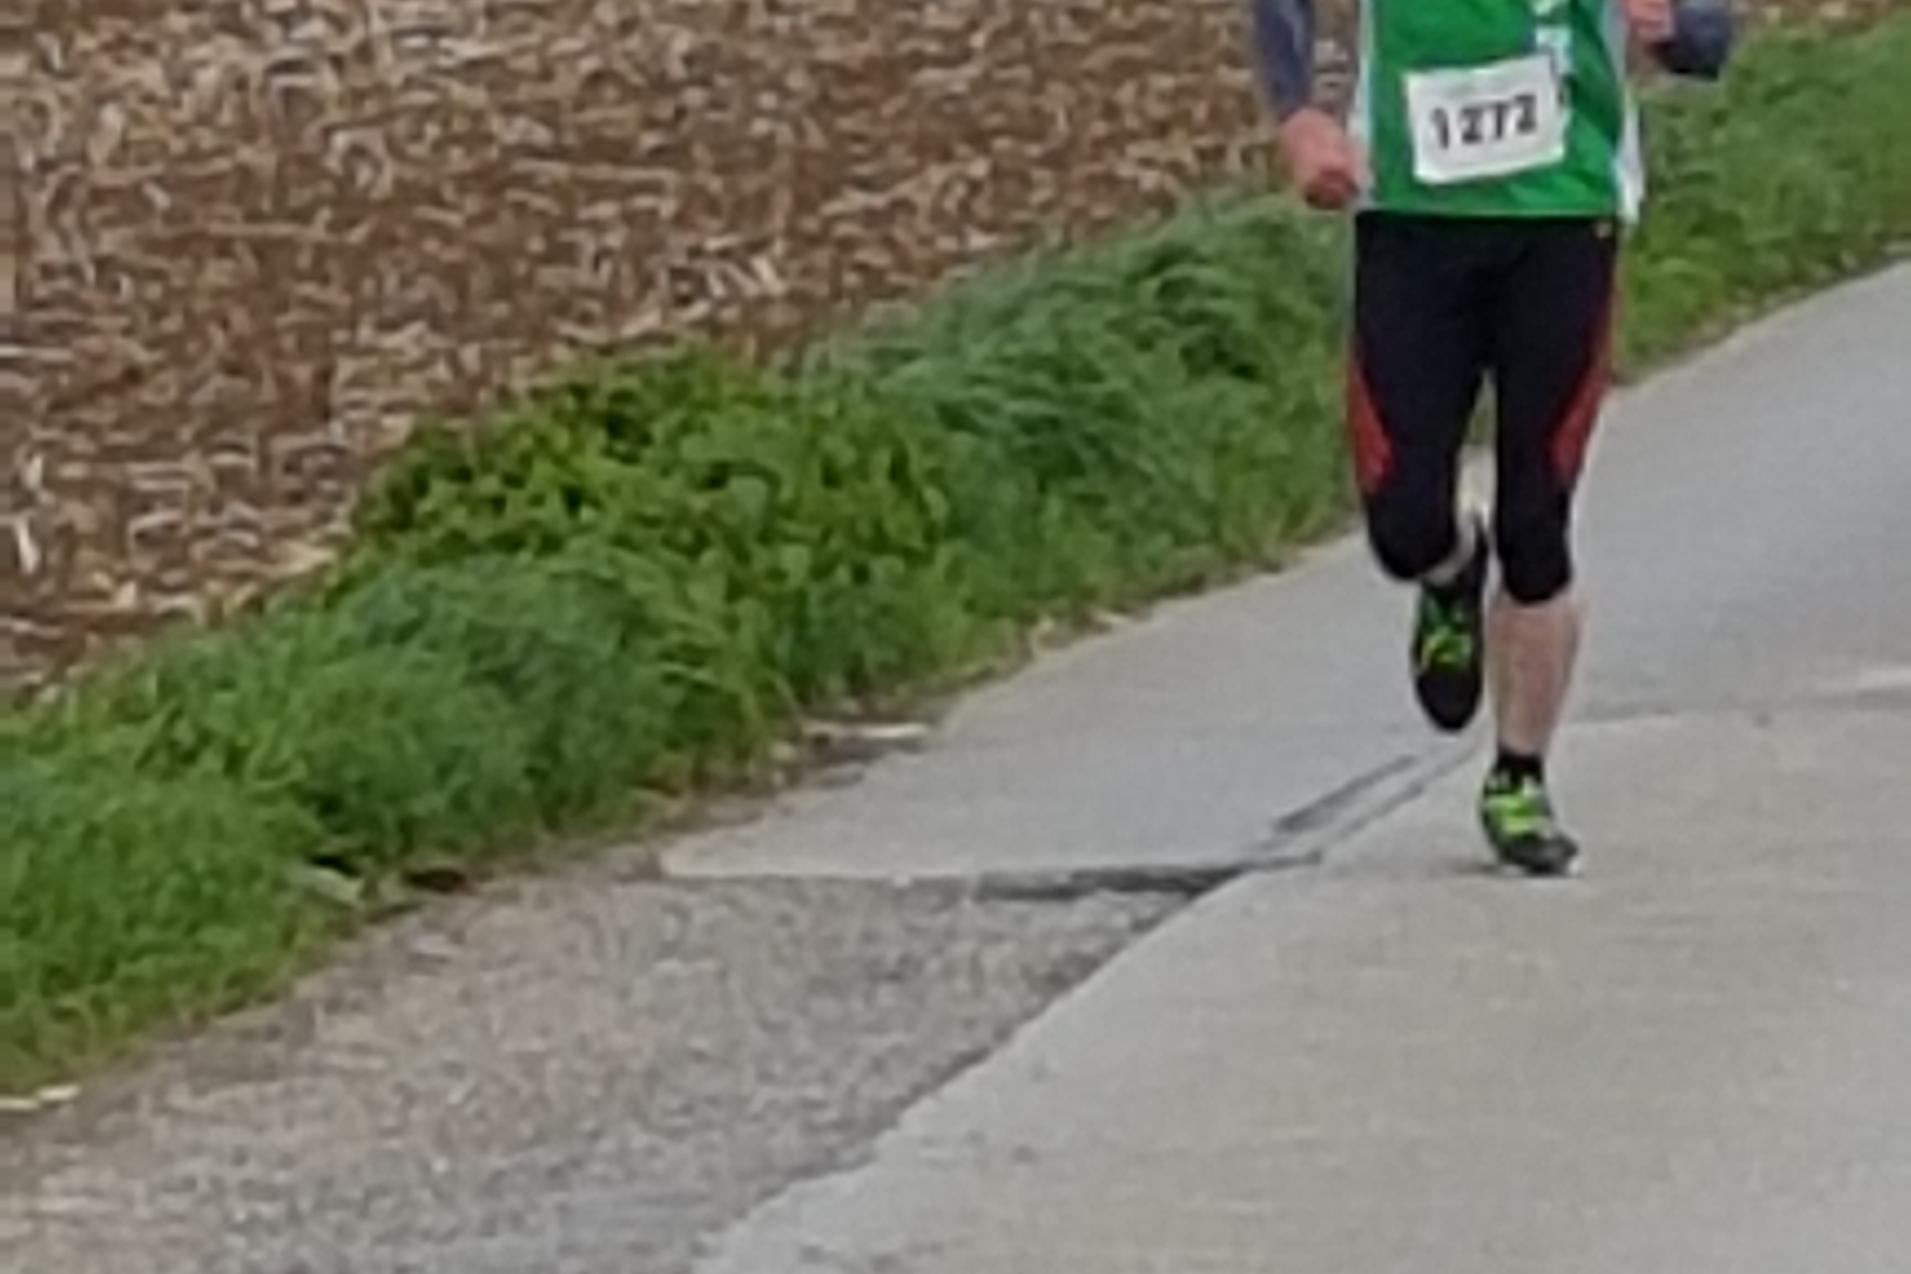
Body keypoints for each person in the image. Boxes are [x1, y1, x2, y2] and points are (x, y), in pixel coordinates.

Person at [1246, 0, 1733, 874]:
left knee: (1536, 520)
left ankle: (1519, 776)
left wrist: (1674, 31)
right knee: (1400, 517)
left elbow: (1708, 37)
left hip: (1563, 220)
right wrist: (1304, 112)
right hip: (1408, 220)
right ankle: (1449, 572)